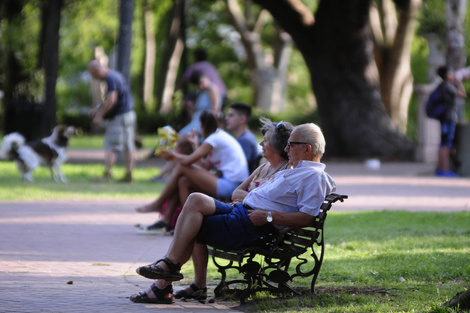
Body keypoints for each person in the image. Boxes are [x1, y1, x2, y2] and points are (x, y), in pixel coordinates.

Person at [129, 122, 336, 304]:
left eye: (291, 144)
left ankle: (163, 283)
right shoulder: (295, 170)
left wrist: (269, 216)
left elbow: (307, 217)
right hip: (240, 211)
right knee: (195, 200)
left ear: (307, 148)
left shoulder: (313, 177)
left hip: (253, 225)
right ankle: (170, 267)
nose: (287, 148)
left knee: (192, 224)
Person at [136, 110, 249, 235]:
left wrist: (173, 155)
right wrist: (195, 145)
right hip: (229, 183)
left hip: (232, 186)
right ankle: (172, 221)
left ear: (203, 126)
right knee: (183, 181)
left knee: (181, 167)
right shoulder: (218, 137)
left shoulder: (214, 138)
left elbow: (188, 161)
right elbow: (204, 166)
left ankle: (159, 203)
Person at [87, 59, 136, 183]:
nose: (95, 78)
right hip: (128, 115)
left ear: (97, 70)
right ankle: (128, 175)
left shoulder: (110, 78)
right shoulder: (116, 75)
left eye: (94, 75)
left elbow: (111, 100)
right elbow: (114, 99)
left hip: (119, 118)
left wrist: (99, 116)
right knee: (128, 146)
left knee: (111, 145)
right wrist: (99, 109)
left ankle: (107, 175)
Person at [434, 66, 466, 177]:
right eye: (451, 73)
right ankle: (444, 169)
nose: (452, 75)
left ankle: (440, 169)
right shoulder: (448, 87)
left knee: (443, 143)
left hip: (444, 118)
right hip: (449, 119)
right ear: (447, 75)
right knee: (446, 144)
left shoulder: (441, 86)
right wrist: (459, 82)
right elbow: (463, 95)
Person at [225, 102, 260, 173]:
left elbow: (238, 169)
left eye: (231, 115)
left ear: (242, 119)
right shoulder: (245, 137)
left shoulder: (245, 140)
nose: (226, 118)